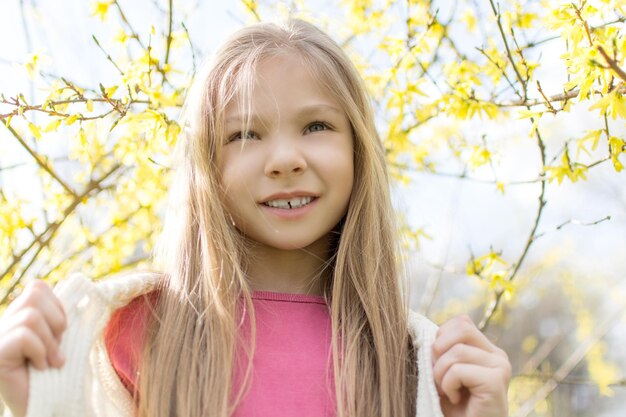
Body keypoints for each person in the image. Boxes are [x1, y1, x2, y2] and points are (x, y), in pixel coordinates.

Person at [0, 18, 511, 417]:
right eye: (244, 134)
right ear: (206, 165)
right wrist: (39, 401)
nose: (285, 158)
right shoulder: (137, 331)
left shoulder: (414, 361)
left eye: (316, 125)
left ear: (359, 150)